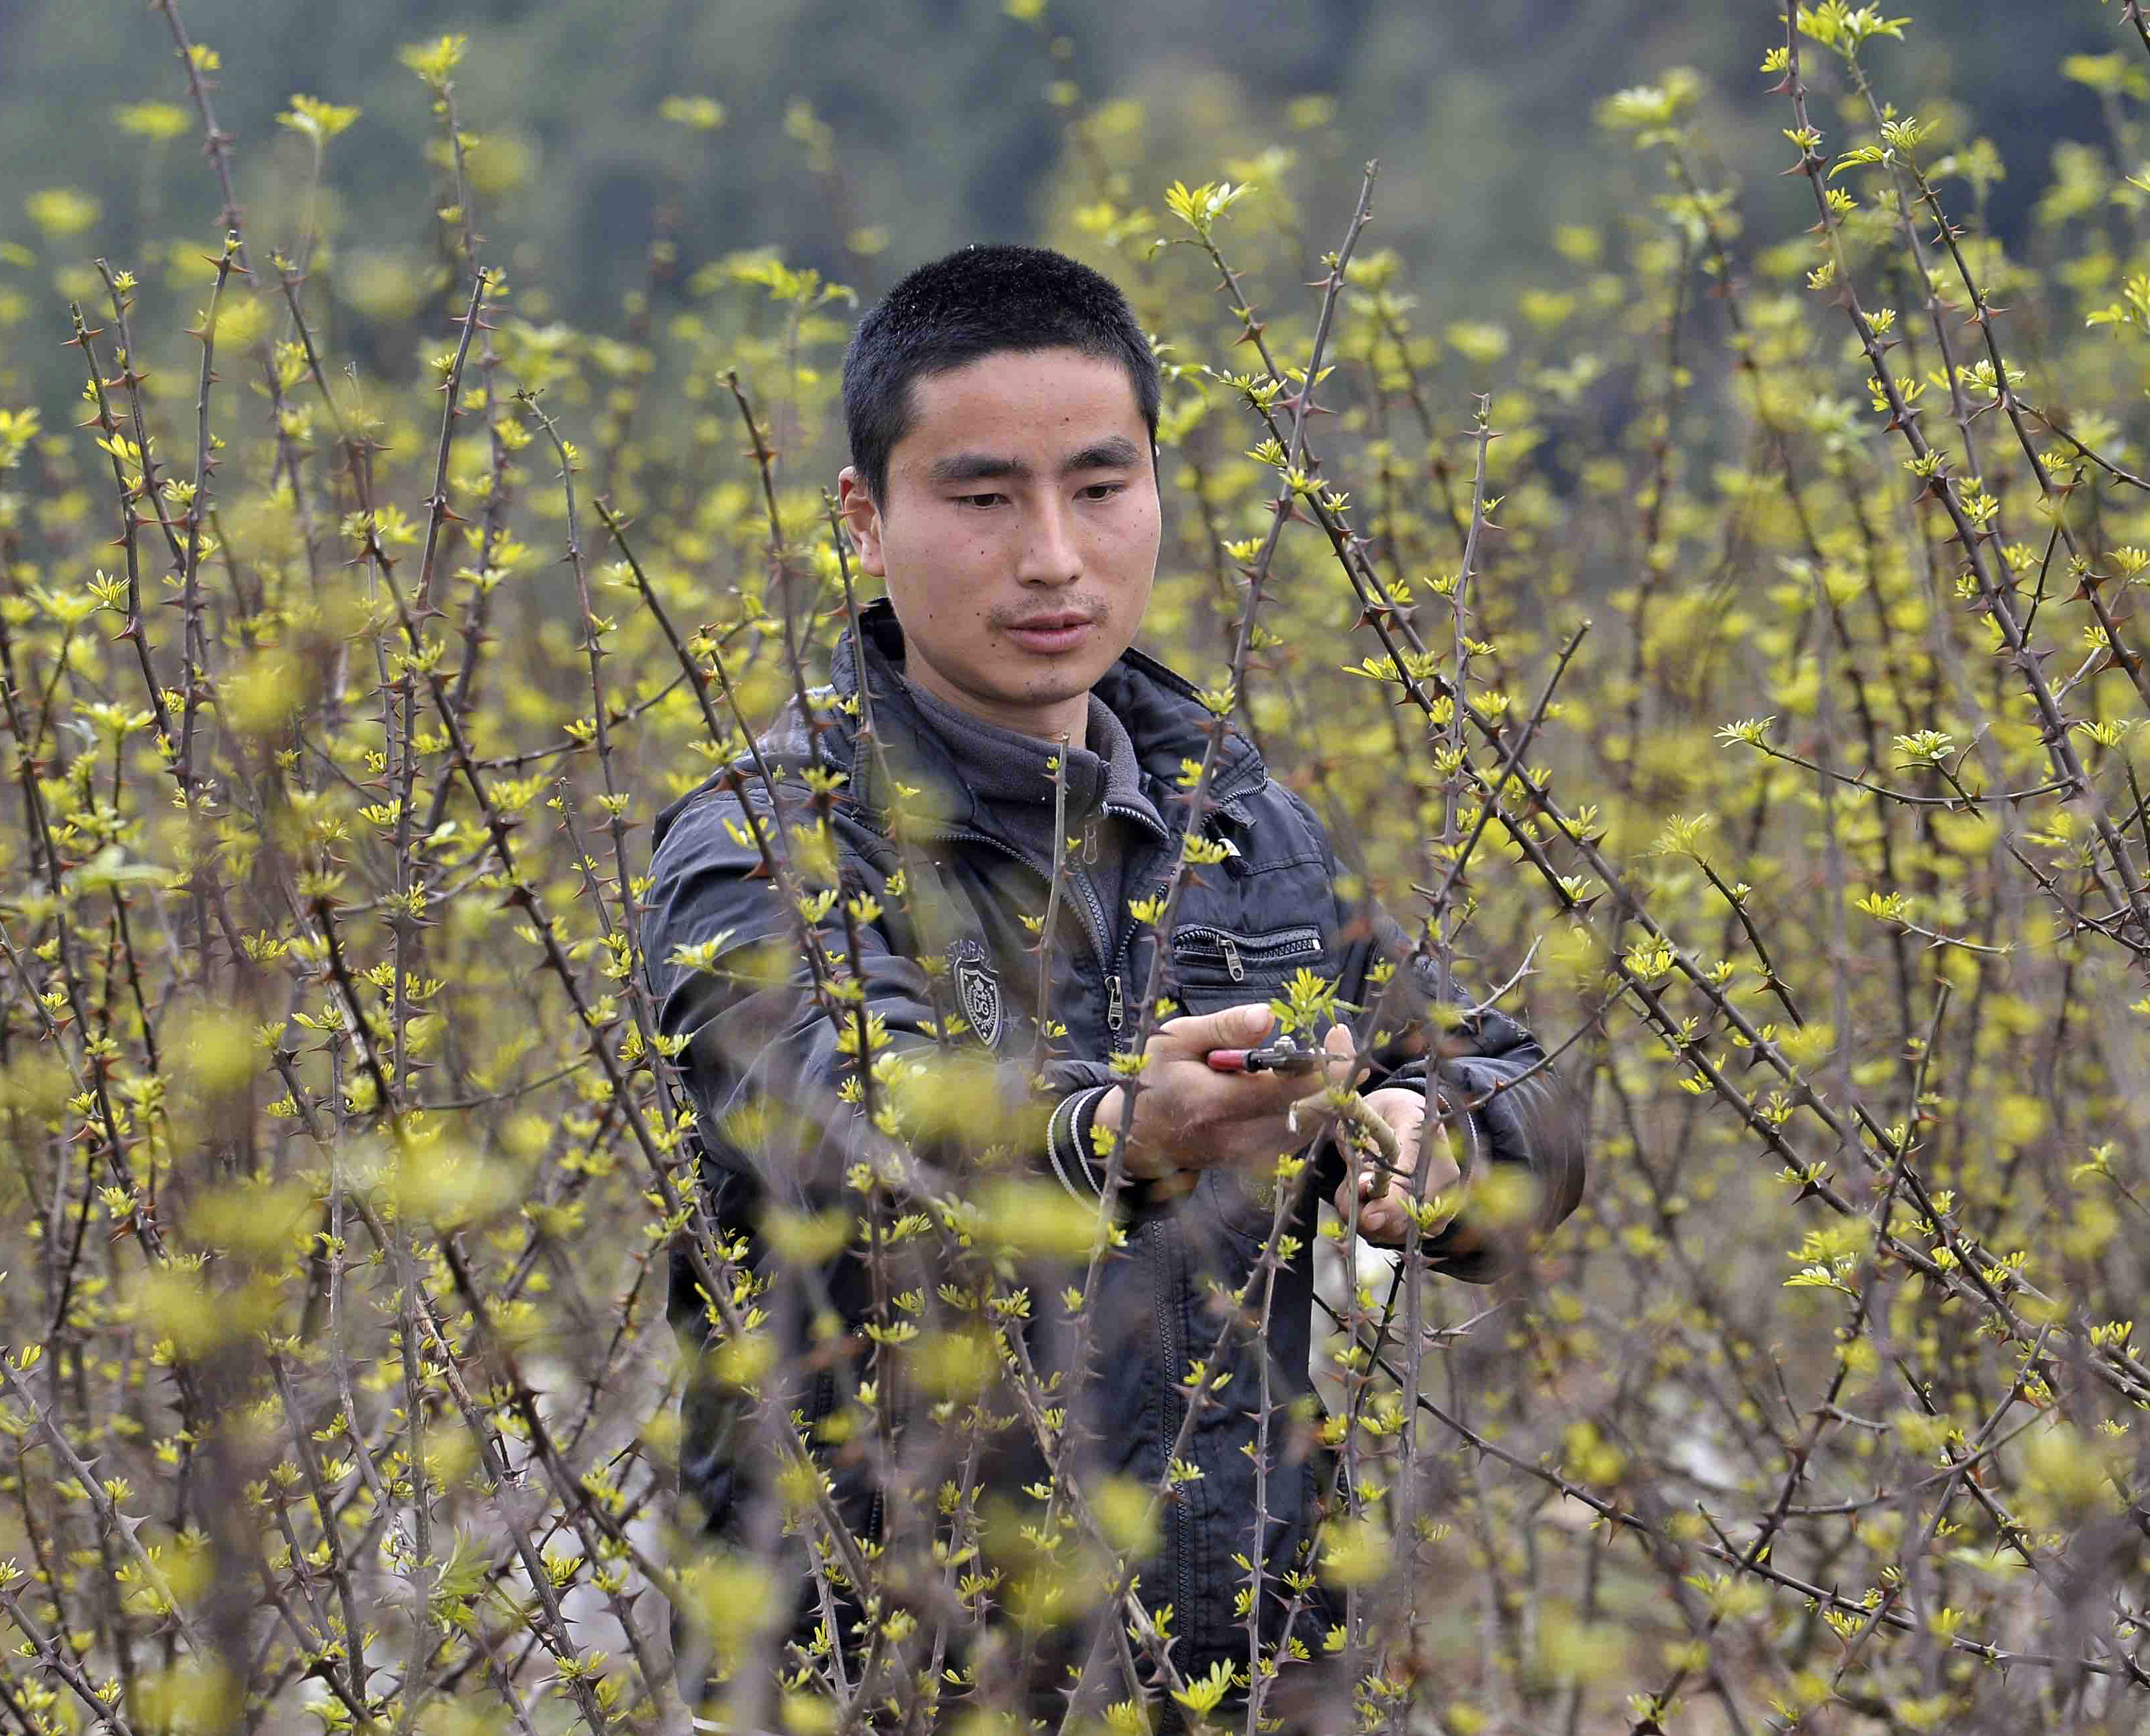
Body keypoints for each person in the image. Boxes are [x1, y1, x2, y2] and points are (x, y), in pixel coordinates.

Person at [644, 243, 1585, 1729]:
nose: (1054, 556)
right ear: (864, 520)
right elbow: (842, 1107)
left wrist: (1428, 1129)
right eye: (980, 497)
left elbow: (1502, 1067)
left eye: (1099, 486)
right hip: (883, 1674)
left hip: (1237, 1666)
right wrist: (1109, 1133)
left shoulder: (1244, 825)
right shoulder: (766, 841)